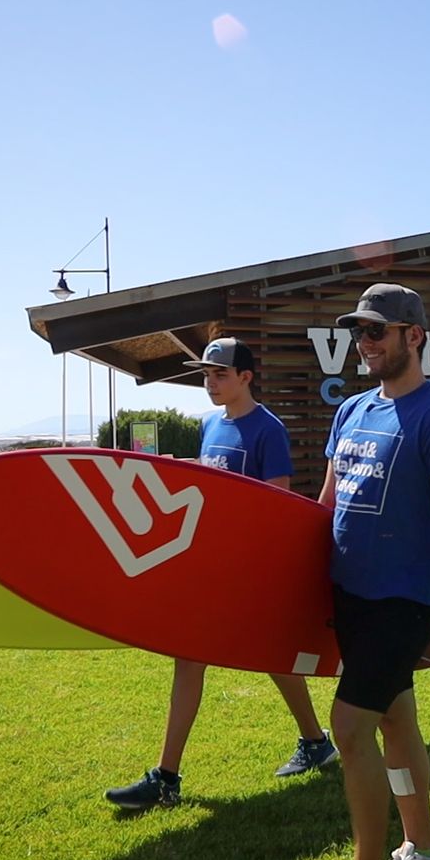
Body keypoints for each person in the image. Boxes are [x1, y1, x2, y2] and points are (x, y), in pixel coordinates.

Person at [104, 337, 338, 810]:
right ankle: (169, 776)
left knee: (271, 656)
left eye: (219, 375)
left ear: (246, 377)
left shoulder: (267, 430)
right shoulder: (208, 423)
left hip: (250, 571)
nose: (209, 383)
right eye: (205, 375)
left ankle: (312, 743)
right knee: (193, 657)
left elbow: (276, 508)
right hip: (214, 569)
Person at [317, 284, 430, 860]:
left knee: (350, 728)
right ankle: (425, 846)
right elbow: (327, 506)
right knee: (397, 720)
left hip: (406, 601)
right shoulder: (351, 411)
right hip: (350, 596)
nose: (364, 343)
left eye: (376, 331)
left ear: (414, 336)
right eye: (358, 332)